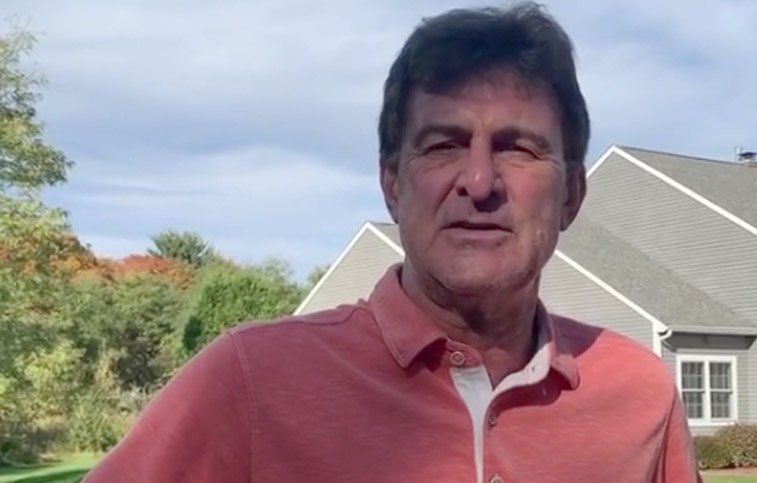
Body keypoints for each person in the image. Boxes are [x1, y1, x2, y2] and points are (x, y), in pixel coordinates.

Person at [85, 3, 699, 482]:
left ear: (571, 196)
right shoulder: (250, 383)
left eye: (517, 148)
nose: (479, 182)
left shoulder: (640, 395)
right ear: (391, 186)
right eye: (442, 146)